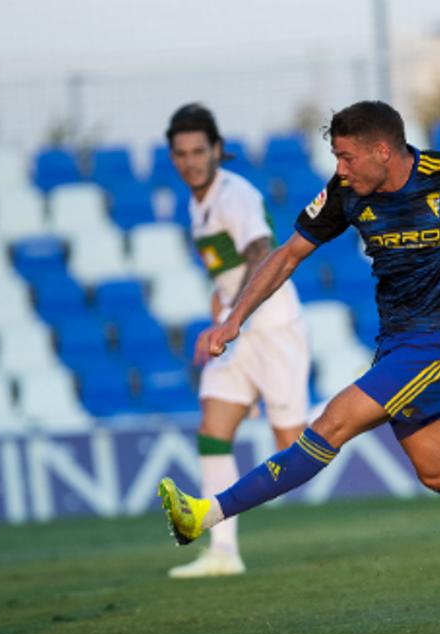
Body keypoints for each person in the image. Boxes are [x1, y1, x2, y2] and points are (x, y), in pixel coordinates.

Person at [158, 101, 440, 611]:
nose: (339, 169)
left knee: (332, 424)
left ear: (382, 150)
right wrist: (235, 318)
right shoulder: (346, 194)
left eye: (346, 157)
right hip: (397, 343)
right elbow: (288, 253)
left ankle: (205, 515)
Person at [164, 103, 310, 578]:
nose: (191, 161)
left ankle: (360, 406)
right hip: (236, 329)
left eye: (199, 151)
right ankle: (222, 552)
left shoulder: (233, 195)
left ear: (218, 151)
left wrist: (228, 317)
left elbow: (262, 253)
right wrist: (219, 314)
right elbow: (226, 273)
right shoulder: (198, 202)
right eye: (181, 153)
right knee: (213, 427)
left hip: (270, 326)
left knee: (295, 449)